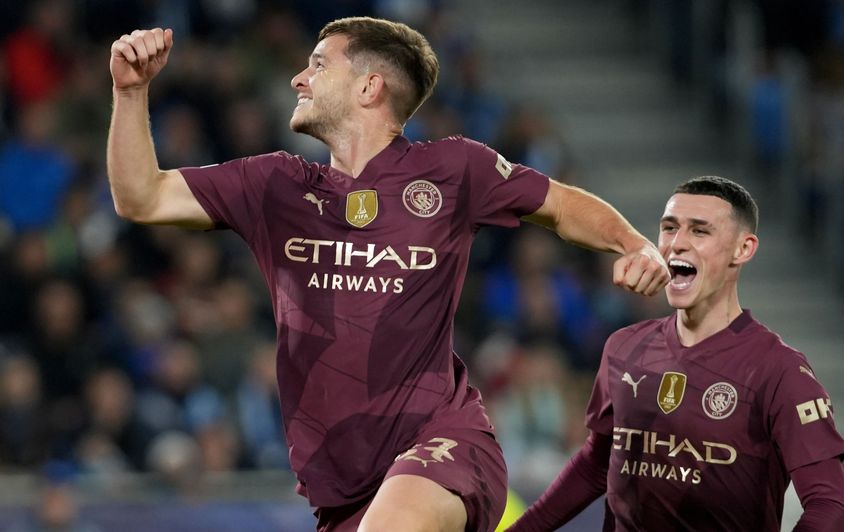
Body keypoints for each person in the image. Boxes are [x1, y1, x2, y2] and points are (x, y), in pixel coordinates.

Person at [106, 17, 670, 532]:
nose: (299, 78)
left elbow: (562, 205)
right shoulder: (275, 186)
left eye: (318, 64)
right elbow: (142, 197)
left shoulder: (453, 169)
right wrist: (130, 92)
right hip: (345, 492)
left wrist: (634, 243)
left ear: (369, 87)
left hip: (443, 446)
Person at [508, 176, 844, 531]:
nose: (677, 244)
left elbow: (830, 506)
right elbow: (597, 464)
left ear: (743, 249)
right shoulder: (624, 347)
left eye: (699, 231)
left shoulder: (779, 370)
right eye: (669, 228)